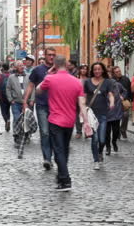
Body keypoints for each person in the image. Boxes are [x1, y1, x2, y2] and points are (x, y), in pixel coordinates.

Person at [37, 55, 89, 191]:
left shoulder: (50, 79)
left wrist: (48, 74)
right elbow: (82, 104)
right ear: (66, 64)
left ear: (54, 64)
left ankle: (65, 179)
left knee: (59, 150)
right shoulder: (77, 81)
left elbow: (38, 90)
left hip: (55, 120)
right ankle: (61, 177)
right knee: (64, 149)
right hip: (70, 120)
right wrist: (86, 122)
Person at [23, 47, 56, 170]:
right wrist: (25, 102)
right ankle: (47, 158)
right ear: (45, 56)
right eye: (49, 55)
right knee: (45, 132)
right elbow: (30, 86)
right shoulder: (38, 70)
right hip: (42, 105)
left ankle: (51, 156)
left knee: (54, 133)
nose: (51, 57)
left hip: (56, 107)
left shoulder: (59, 70)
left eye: (53, 55)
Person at [84, 62, 114, 170]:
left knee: (102, 140)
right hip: (92, 115)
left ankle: (100, 151)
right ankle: (96, 160)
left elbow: (110, 94)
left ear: (102, 70)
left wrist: (112, 102)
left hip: (103, 114)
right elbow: (84, 96)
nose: (97, 71)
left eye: (99, 69)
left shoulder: (107, 82)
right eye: (95, 69)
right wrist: (82, 109)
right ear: (92, 71)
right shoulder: (87, 82)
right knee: (95, 139)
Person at [6, 61, 35, 143]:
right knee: (16, 118)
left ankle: (27, 135)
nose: (21, 67)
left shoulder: (29, 76)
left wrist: (32, 99)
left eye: (22, 65)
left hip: (28, 102)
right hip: (16, 102)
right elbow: (8, 88)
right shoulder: (11, 77)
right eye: (19, 65)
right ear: (15, 68)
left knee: (27, 119)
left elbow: (33, 88)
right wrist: (10, 99)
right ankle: (17, 134)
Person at [105, 76, 127, 155]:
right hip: (106, 112)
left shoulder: (118, 85)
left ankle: (114, 142)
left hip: (116, 111)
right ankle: (108, 146)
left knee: (116, 131)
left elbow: (125, 91)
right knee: (107, 131)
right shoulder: (102, 86)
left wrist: (122, 97)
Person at [113, 66, 132, 139]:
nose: (119, 73)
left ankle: (123, 130)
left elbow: (129, 90)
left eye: (119, 71)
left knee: (125, 115)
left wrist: (129, 99)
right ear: (114, 74)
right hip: (115, 102)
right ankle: (117, 132)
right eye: (117, 72)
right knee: (116, 118)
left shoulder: (126, 79)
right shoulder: (112, 81)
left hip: (124, 101)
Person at [0, 64, 12, 132]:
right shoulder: (11, 76)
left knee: (3, 111)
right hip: (10, 96)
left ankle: (6, 120)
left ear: (2, 68)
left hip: (2, 96)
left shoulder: (0, 76)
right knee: (8, 110)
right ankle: (8, 120)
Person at [75, 64, 90, 139]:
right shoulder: (76, 78)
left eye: (85, 69)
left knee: (85, 115)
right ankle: (78, 131)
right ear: (80, 70)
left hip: (86, 99)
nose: (84, 70)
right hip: (77, 99)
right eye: (82, 69)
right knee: (77, 116)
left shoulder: (89, 79)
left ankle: (87, 131)